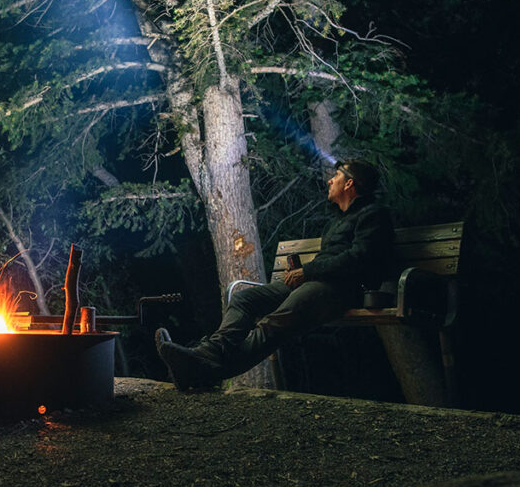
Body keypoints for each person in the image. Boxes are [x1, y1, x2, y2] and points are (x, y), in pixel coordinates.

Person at [156, 158, 394, 389]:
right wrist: (303, 272)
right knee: (243, 299)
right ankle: (208, 354)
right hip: (317, 283)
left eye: (336, 176)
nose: (330, 181)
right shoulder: (338, 220)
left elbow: (359, 258)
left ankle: (203, 369)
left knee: (275, 322)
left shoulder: (373, 215)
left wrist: (308, 271)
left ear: (350, 184)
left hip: (342, 290)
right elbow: (335, 257)